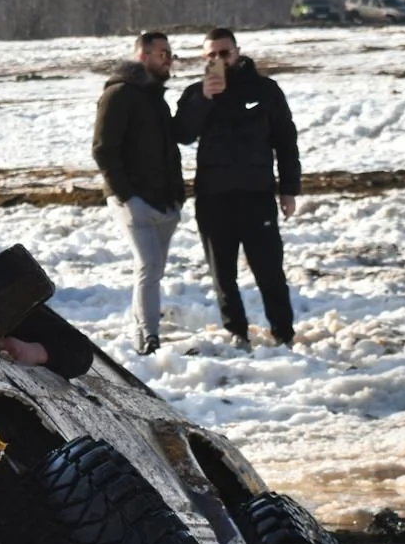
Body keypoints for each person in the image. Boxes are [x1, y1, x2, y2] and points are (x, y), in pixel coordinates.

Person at [173, 27, 300, 349]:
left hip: (256, 195)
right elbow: (182, 133)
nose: (218, 59)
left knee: (269, 270)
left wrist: (289, 189)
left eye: (224, 53)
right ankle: (237, 331)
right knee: (222, 274)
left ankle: (283, 332)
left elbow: (285, 141)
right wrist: (204, 99)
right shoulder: (195, 93)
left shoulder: (265, 90)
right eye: (211, 55)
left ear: (237, 52)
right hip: (213, 197)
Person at [92, 31, 183, 354]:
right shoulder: (119, 94)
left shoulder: (154, 96)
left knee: (153, 270)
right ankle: (148, 336)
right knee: (148, 265)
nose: (169, 59)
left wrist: (176, 198)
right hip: (134, 202)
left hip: (165, 201)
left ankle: (140, 332)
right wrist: (127, 197)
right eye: (162, 53)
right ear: (142, 56)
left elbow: (171, 143)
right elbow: (103, 149)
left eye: (170, 53)